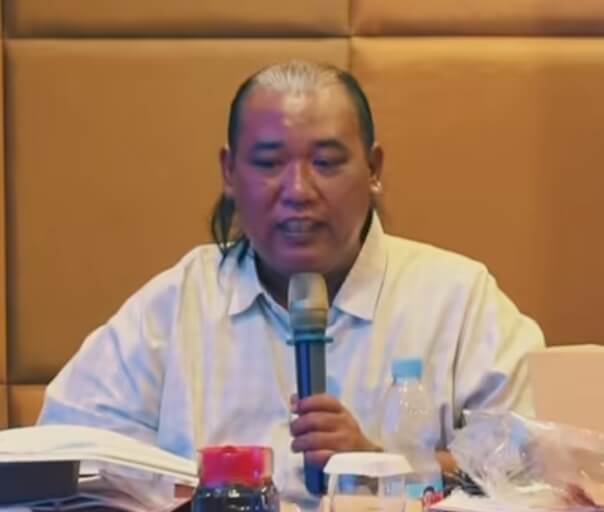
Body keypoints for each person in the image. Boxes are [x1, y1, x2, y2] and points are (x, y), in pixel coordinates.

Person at [38, 60, 545, 509]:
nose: (298, 191)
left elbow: (539, 470)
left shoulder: (459, 300)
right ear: (229, 172)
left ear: (373, 168)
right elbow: (57, 461)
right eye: (268, 163)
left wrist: (383, 466)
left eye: (326, 163)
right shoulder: (175, 306)